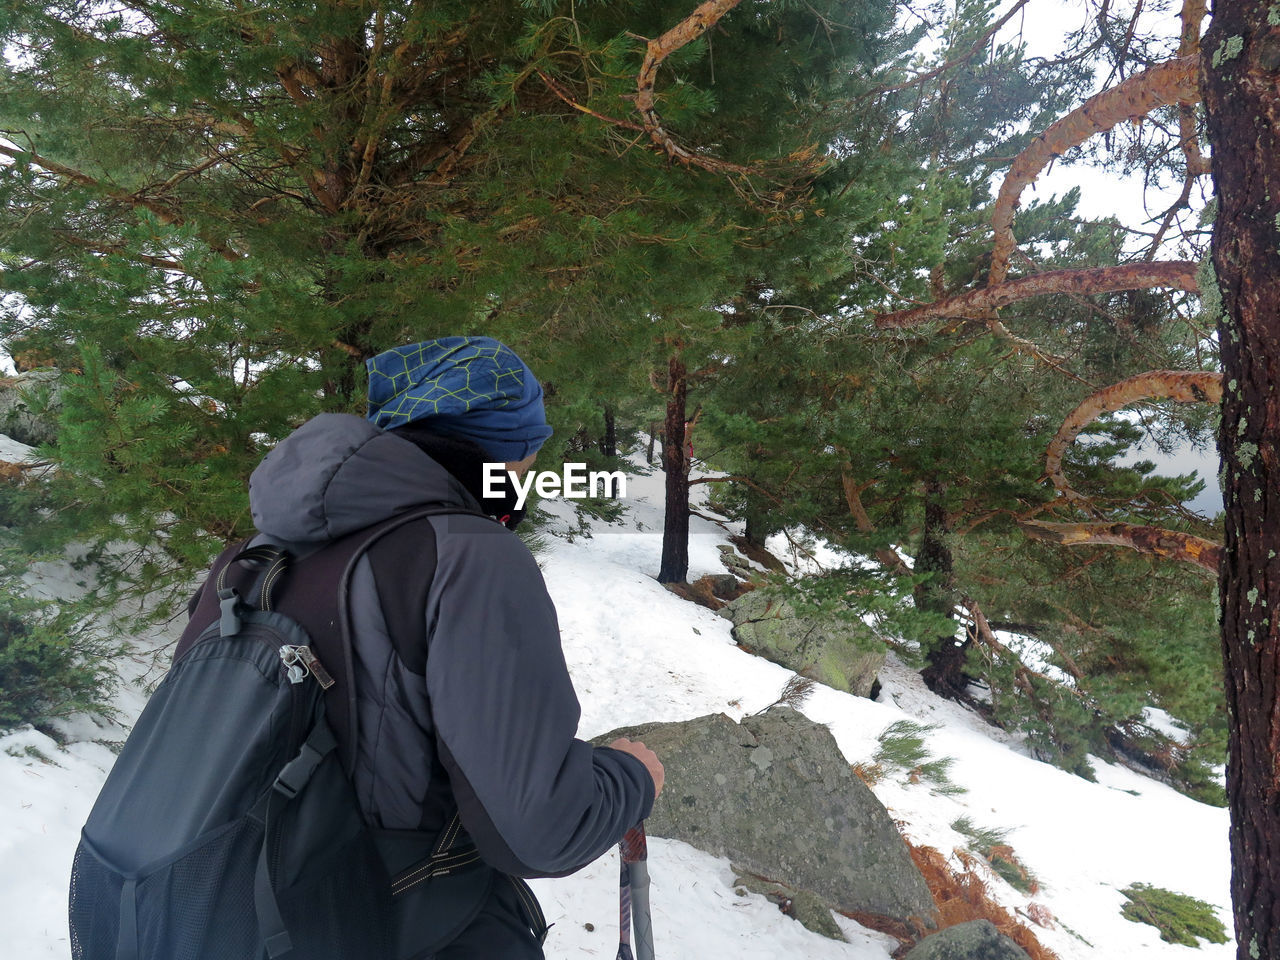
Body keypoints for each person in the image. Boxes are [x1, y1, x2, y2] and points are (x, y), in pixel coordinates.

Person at [245, 336, 664, 958]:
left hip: (249, 908)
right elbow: (541, 829)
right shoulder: (466, 554)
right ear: (506, 448)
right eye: (530, 448)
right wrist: (633, 776)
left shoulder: (255, 558)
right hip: (406, 923)